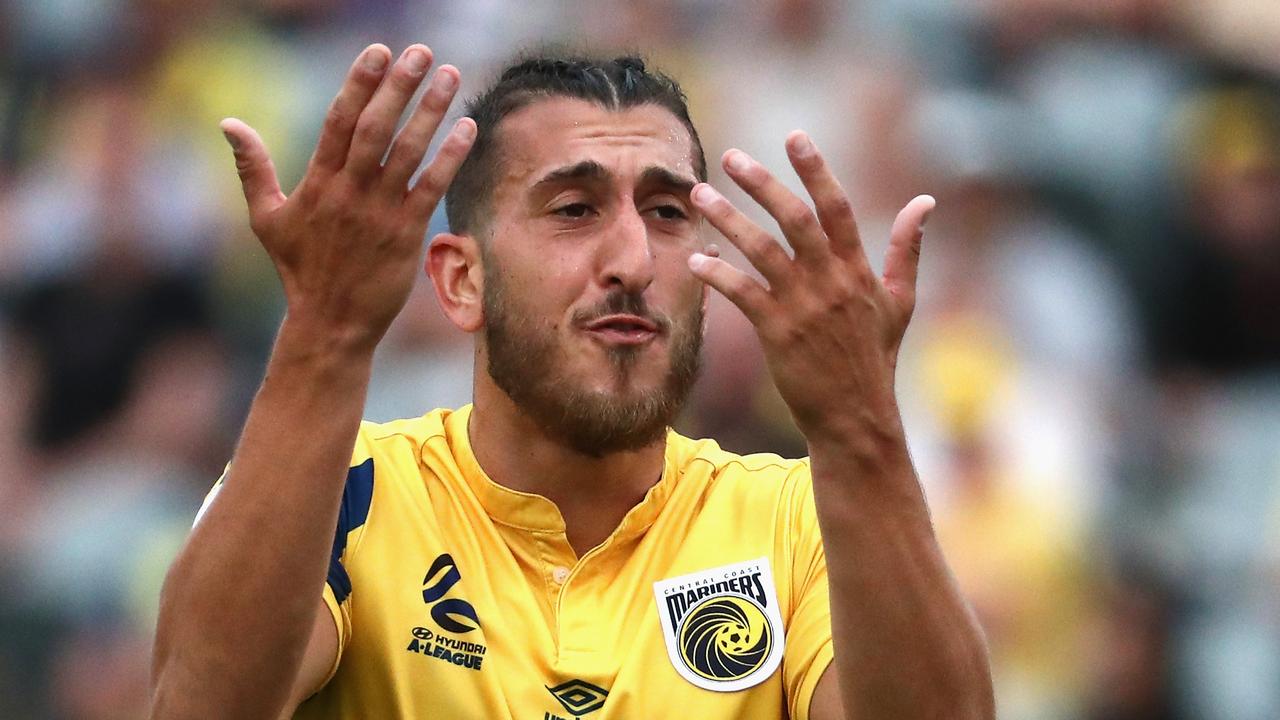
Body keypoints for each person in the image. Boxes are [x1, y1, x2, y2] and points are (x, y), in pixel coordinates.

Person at [149, 43, 993, 720]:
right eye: (573, 210)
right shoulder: (345, 494)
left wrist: (860, 429)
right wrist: (324, 339)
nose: (632, 262)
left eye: (666, 214)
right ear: (460, 281)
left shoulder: (800, 521)